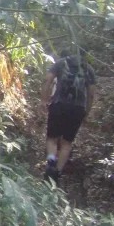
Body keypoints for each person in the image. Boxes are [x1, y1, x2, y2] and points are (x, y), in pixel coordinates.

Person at [40, 48, 97, 182]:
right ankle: (58, 173)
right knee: (66, 143)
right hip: (77, 109)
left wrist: (43, 99)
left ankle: (51, 162)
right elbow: (91, 94)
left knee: (52, 138)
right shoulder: (89, 69)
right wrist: (86, 112)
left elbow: (47, 79)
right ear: (85, 55)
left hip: (58, 105)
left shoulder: (60, 63)